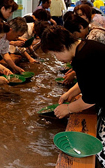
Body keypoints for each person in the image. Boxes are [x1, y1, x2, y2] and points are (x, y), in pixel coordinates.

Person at [40, 25, 105, 167]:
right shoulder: (85, 46)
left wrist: (68, 108)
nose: (56, 58)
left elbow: (90, 98)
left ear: (62, 46)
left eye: (54, 54)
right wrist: (69, 93)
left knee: (100, 155)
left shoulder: (83, 58)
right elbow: (89, 81)